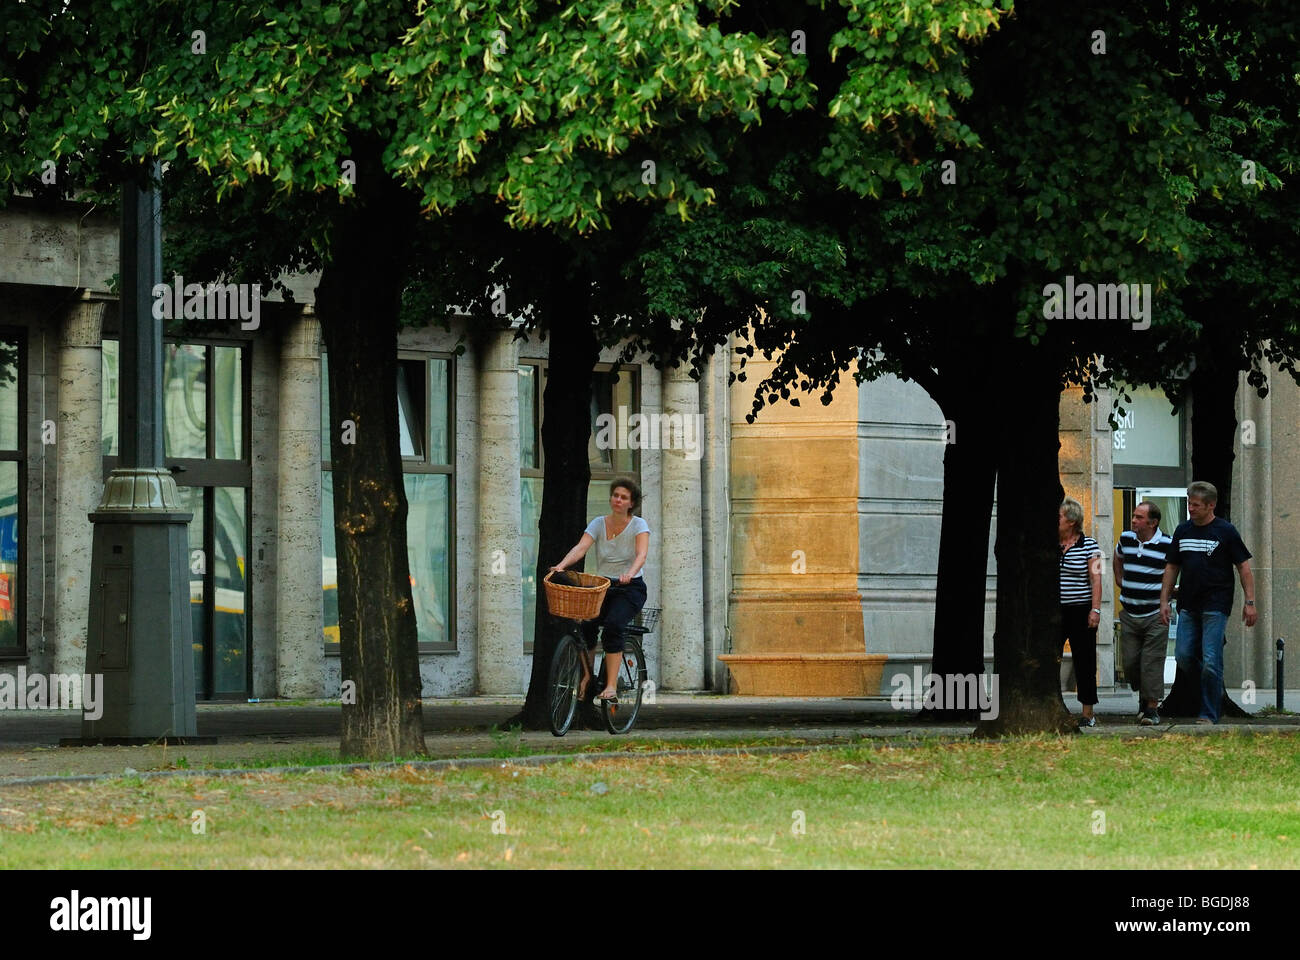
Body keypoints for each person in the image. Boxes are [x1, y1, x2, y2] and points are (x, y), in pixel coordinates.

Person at [1160, 481, 1256, 724]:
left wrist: (1250, 602)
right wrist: (1164, 600)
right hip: (1188, 604)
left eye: (1196, 504)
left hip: (1216, 603)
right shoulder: (1183, 531)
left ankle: (1208, 713)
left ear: (1211, 505)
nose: (1191, 508)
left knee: (1212, 660)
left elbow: (1244, 567)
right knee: (1183, 656)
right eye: (1189, 503)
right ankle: (1207, 685)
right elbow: (1172, 567)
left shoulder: (1225, 531)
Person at [551, 477, 650, 702]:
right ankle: (587, 677)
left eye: (623, 497)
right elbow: (581, 548)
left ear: (631, 503)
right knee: (586, 627)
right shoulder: (598, 523)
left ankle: (612, 686)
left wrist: (630, 573)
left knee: (614, 626)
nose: (617, 500)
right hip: (603, 586)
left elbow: (641, 555)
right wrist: (561, 566)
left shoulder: (638, 525)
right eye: (615, 495)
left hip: (630, 587)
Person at [1114, 501, 1173, 725]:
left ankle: (1151, 709)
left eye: (1139, 517)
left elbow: (1175, 568)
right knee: (1130, 663)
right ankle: (1143, 696)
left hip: (1155, 613)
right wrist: (1120, 579)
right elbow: (1117, 557)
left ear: (1153, 522)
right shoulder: (1126, 539)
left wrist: (1169, 594)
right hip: (1129, 611)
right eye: (1134, 516)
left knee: (1152, 662)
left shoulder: (1167, 543)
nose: (1133, 520)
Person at [1059, 498, 1102, 728]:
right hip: (1055, 612)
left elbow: (1097, 579)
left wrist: (1095, 609)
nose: (1056, 521)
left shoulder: (1091, 545)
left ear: (1072, 521)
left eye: (1059, 518)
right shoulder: (1049, 544)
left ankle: (1088, 713)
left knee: (1084, 661)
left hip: (1081, 610)